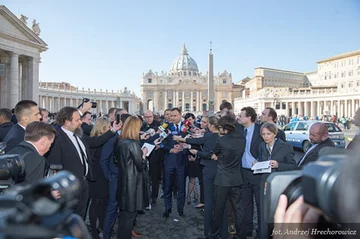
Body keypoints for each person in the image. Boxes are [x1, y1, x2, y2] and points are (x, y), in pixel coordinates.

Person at [256, 122, 296, 238]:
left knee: (276, 214)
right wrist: (258, 164)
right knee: (264, 214)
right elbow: (263, 160)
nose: (265, 137)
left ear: (275, 134)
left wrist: (278, 165)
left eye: (268, 134)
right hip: (264, 182)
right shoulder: (262, 146)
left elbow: (293, 166)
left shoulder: (286, 146)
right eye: (263, 134)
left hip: (279, 185)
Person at [208, 116, 246, 239]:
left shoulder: (221, 140)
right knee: (238, 209)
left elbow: (213, 153)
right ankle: (241, 235)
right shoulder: (242, 138)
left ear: (224, 127)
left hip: (222, 180)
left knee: (218, 209)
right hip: (236, 178)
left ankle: (214, 235)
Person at [115, 116, 148, 239]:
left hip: (123, 182)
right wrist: (144, 154)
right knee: (129, 220)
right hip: (132, 185)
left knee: (124, 219)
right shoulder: (133, 144)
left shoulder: (120, 141)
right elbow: (140, 165)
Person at [237, 106, 263, 237]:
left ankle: (260, 231)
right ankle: (247, 229)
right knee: (245, 203)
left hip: (258, 172)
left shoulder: (261, 130)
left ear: (249, 117)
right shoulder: (238, 129)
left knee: (260, 203)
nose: (239, 118)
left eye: (241, 116)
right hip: (243, 171)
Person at [161, 107, 188, 218]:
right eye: (170, 116)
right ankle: (168, 208)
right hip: (169, 161)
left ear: (180, 115)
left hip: (182, 161)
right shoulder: (165, 127)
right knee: (167, 187)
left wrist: (183, 147)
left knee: (181, 187)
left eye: (174, 116)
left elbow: (194, 141)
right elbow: (160, 144)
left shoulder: (187, 126)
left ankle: (180, 209)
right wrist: (170, 149)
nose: (171, 118)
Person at [88, 117, 111, 239]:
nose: (109, 129)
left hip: (99, 175)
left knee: (102, 203)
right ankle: (94, 229)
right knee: (96, 203)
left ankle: (101, 226)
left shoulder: (96, 139)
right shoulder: (96, 141)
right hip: (98, 175)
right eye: (108, 127)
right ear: (102, 128)